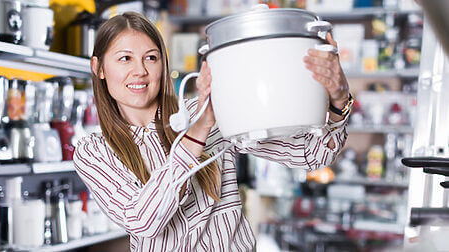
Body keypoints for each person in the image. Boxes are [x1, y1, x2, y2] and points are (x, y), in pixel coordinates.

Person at [73, 12, 351, 251]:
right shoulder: (93, 151)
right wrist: (199, 130)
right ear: (99, 68)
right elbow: (142, 221)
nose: (140, 71)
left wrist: (338, 101)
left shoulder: (207, 110)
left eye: (151, 57)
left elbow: (311, 156)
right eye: (124, 59)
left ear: (163, 64)